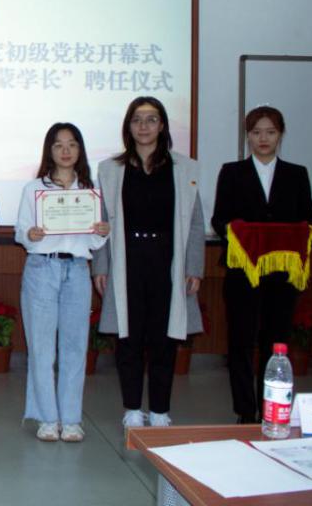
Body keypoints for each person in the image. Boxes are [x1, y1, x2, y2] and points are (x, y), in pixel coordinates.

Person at [92, 96, 204, 429]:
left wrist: (194, 267)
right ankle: (131, 408)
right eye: (137, 119)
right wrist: (101, 266)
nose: (144, 126)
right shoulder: (111, 169)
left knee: (164, 338)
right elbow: (100, 221)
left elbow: (195, 223)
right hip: (126, 260)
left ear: (162, 125)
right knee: (128, 337)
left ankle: (159, 410)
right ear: (128, 126)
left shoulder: (184, 168)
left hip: (168, 260)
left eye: (151, 119)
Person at [211, 106, 312, 423]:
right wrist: (243, 233)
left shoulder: (297, 174)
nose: (263, 139)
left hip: (282, 275)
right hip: (243, 273)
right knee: (241, 342)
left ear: (280, 135)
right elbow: (219, 219)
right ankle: (245, 411)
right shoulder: (232, 172)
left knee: (276, 342)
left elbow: (309, 220)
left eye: (270, 132)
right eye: (256, 133)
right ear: (248, 137)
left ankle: (272, 407)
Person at [15, 123, 109, 443]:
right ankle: (47, 418)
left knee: (75, 347)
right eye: (58, 145)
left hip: (77, 270)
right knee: (41, 349)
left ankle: (70, 419)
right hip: (42, 268)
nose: (66, 151)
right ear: (49, 150)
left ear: (80, 149)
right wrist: (31, 234)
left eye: (72, 144)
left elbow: (94, 242)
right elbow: (22, 231)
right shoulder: (34, 189)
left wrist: (102, 231)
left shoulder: (90, 190)